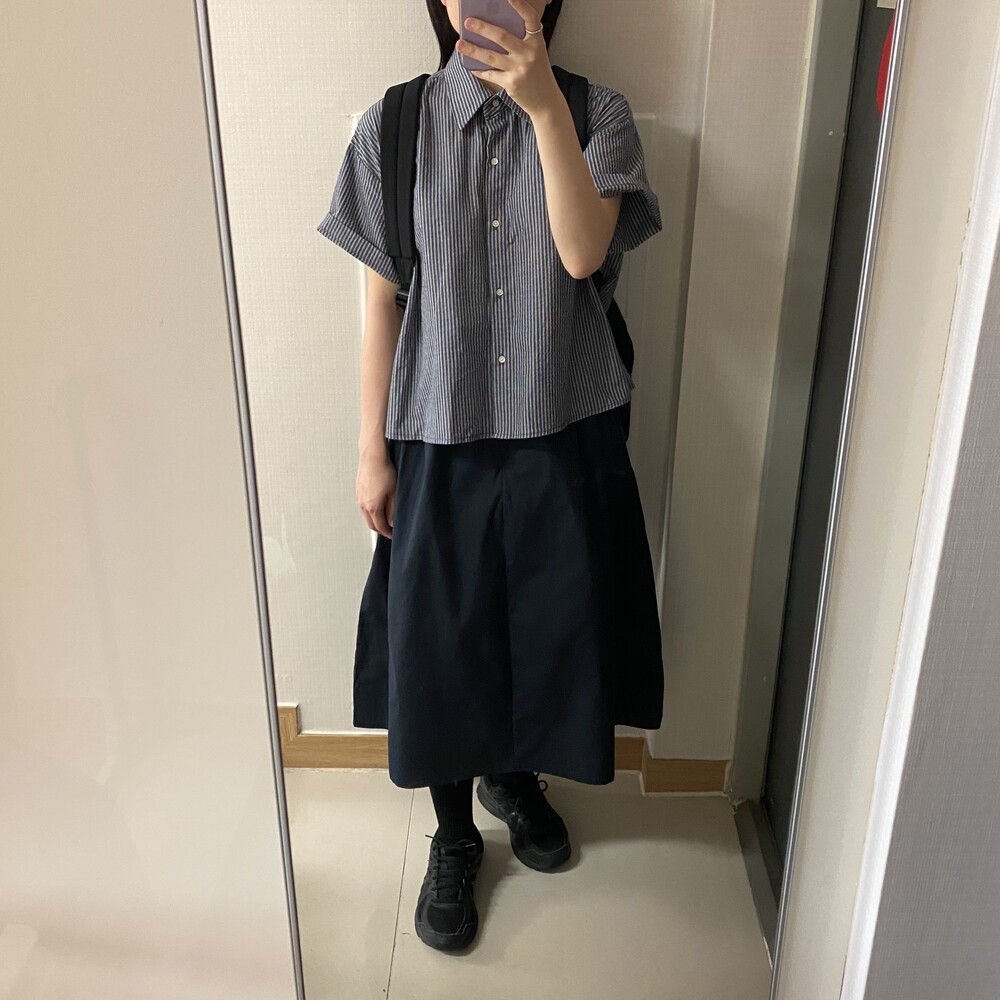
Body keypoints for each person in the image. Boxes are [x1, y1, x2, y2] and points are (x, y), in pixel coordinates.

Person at [316, 0, 664, 952]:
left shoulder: (596, 114)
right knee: (443, 644)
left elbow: (583, 253)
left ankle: (513, 779)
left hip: (564, 427)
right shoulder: (392, 127)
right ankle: (455, 833)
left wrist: (544, 106)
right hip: (439, 430)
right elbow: (382, 302)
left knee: (550, 628)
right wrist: (370, 447)